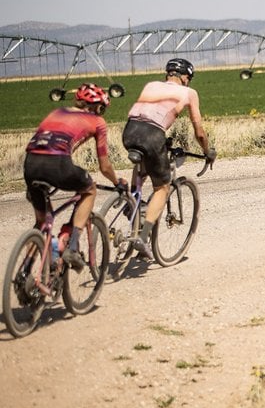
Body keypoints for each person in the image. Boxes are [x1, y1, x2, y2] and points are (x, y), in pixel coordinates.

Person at [24, 83, 127, 271]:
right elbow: (104, 166)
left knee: (42, 221)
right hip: (57, 163)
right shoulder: (98, 122)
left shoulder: (57, 112)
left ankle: (24, 272)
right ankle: (72, 246)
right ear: (99, 107)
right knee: (89, 189)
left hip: (31, 164)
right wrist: (116, 182)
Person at [122, 58, 214, 260]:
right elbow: (199, 131)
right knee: (162, 188)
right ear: (184, 77)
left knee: (143, 162)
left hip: (129, 131)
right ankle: (143, 238)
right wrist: (208, 151)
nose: (188, 81)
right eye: (188, 78)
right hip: (153, 134)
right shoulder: (189, 93)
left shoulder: (151, 85)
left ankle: (132, 201)